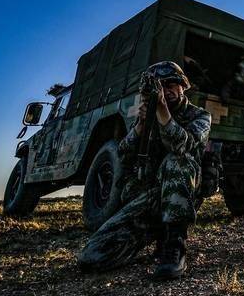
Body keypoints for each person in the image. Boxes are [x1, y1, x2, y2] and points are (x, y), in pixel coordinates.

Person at [77, 61, 211, 280]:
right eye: (160, 87)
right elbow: (123, 154)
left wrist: (163, 113)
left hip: (180, 194)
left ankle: (174, 244)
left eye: (170, 85)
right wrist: (140, 125)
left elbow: (182, 146)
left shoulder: (200, 116)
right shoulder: (148, 117)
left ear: (183, 86)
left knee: (176, 160)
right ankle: (154, 233)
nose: (165, 91)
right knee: (91, 257)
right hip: (148, 199)